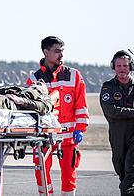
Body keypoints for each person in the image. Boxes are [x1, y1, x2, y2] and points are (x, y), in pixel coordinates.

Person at [27, 36, 88, 196]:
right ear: (46, 52)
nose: (61, 55)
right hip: (44, 137)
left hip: (69, 137)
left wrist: (80, 129)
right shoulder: (34, 80)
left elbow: (81, 106)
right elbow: (31, 110)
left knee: (69, 175)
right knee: (41, 173)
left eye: (62, 51)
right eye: (56, 51)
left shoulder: (74, 76)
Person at [99, 50, 134, 195]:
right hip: (117, 136)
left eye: (125, 66)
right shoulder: (108, 87)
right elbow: (110, 110)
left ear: (131, 67)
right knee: (121, 171)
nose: (122, 69)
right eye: (119, 66)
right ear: (114, 67)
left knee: (132, 172)